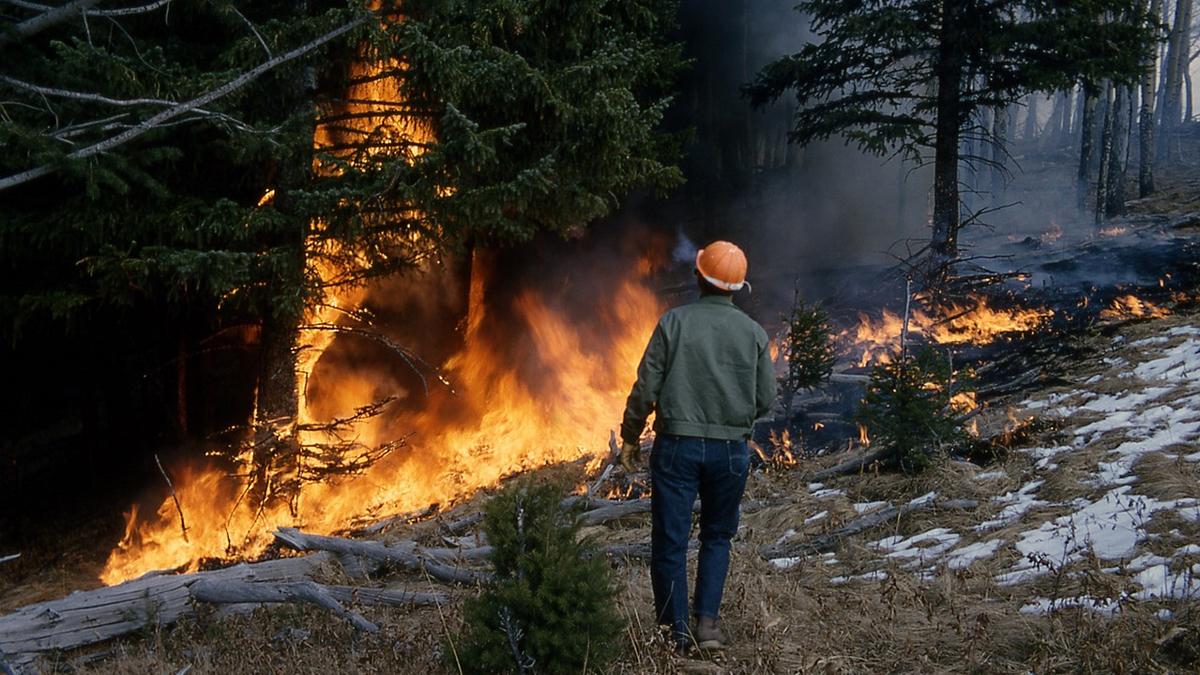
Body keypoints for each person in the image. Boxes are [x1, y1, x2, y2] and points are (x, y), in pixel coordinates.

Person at [618, 239, 777, 654]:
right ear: (738, 287)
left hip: (677, 448)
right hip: (730, 452)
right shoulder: (754, 334)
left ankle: (675, 634)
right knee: (717, 537)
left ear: (698, 278)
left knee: (670, 540)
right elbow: (765, 400)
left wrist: (630, 437)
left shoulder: (674, 323)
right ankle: (707, 626)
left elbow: (646, 388)